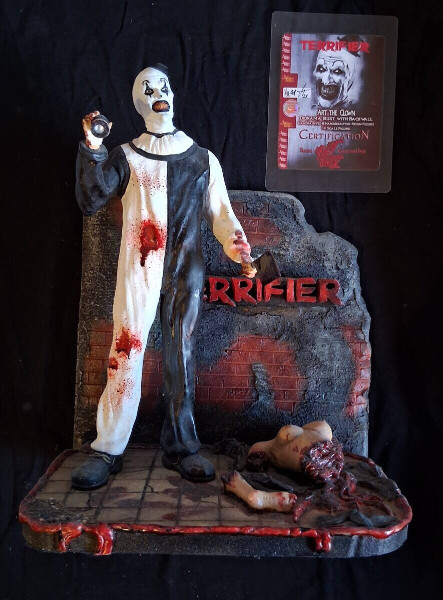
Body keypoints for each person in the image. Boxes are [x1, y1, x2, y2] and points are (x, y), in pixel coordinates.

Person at [72, 63, 256, 489]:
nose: (159, 95)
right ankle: (107, 447)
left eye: (163, 87)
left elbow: (222, 215)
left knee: (182, 355)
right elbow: (91, 197)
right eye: (148, 90)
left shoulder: (202, 159)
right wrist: (94, 146)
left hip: (186, 270)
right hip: (140, 265)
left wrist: (242, 252)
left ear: (173, 94)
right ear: (138, 103)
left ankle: (183, 446)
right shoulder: (128, 156)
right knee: (127, 347)